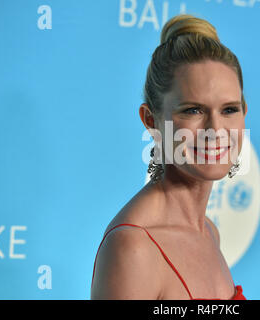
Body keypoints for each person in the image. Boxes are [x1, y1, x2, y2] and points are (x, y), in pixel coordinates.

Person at [91, 13, 248, 300]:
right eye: (193, 110)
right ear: (151, 120)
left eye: (229, 110)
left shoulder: (209, 232)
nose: (215, 129)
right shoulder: (133, 245)